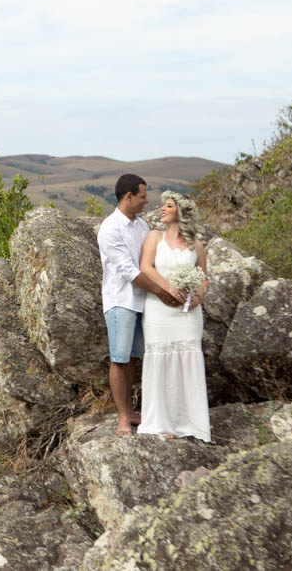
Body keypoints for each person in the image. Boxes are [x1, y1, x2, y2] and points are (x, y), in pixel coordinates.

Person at [97, 174, 180, 436]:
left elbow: (151, 262)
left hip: (144, 302)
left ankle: (132, 412)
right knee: (119, 359)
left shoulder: (142, 226)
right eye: (143, 196)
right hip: (121, 301)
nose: (147, 201)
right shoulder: (110, 228)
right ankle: (122, 417)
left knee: (134, 358)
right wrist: (163, 292)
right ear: (128, 196)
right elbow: (129, 272)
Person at [136, 190, 212, 442]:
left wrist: (197, 297)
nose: (162, 209)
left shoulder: (196, 245)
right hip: (159, 310)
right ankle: (161, 422)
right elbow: (145, 267)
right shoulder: (154, 237)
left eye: (168, 206)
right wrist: (169, 288)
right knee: (160, 358)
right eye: (162, 206)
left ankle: (191, 422)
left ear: (181, 210)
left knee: (188, 359)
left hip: (188, 313)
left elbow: (203, 276)